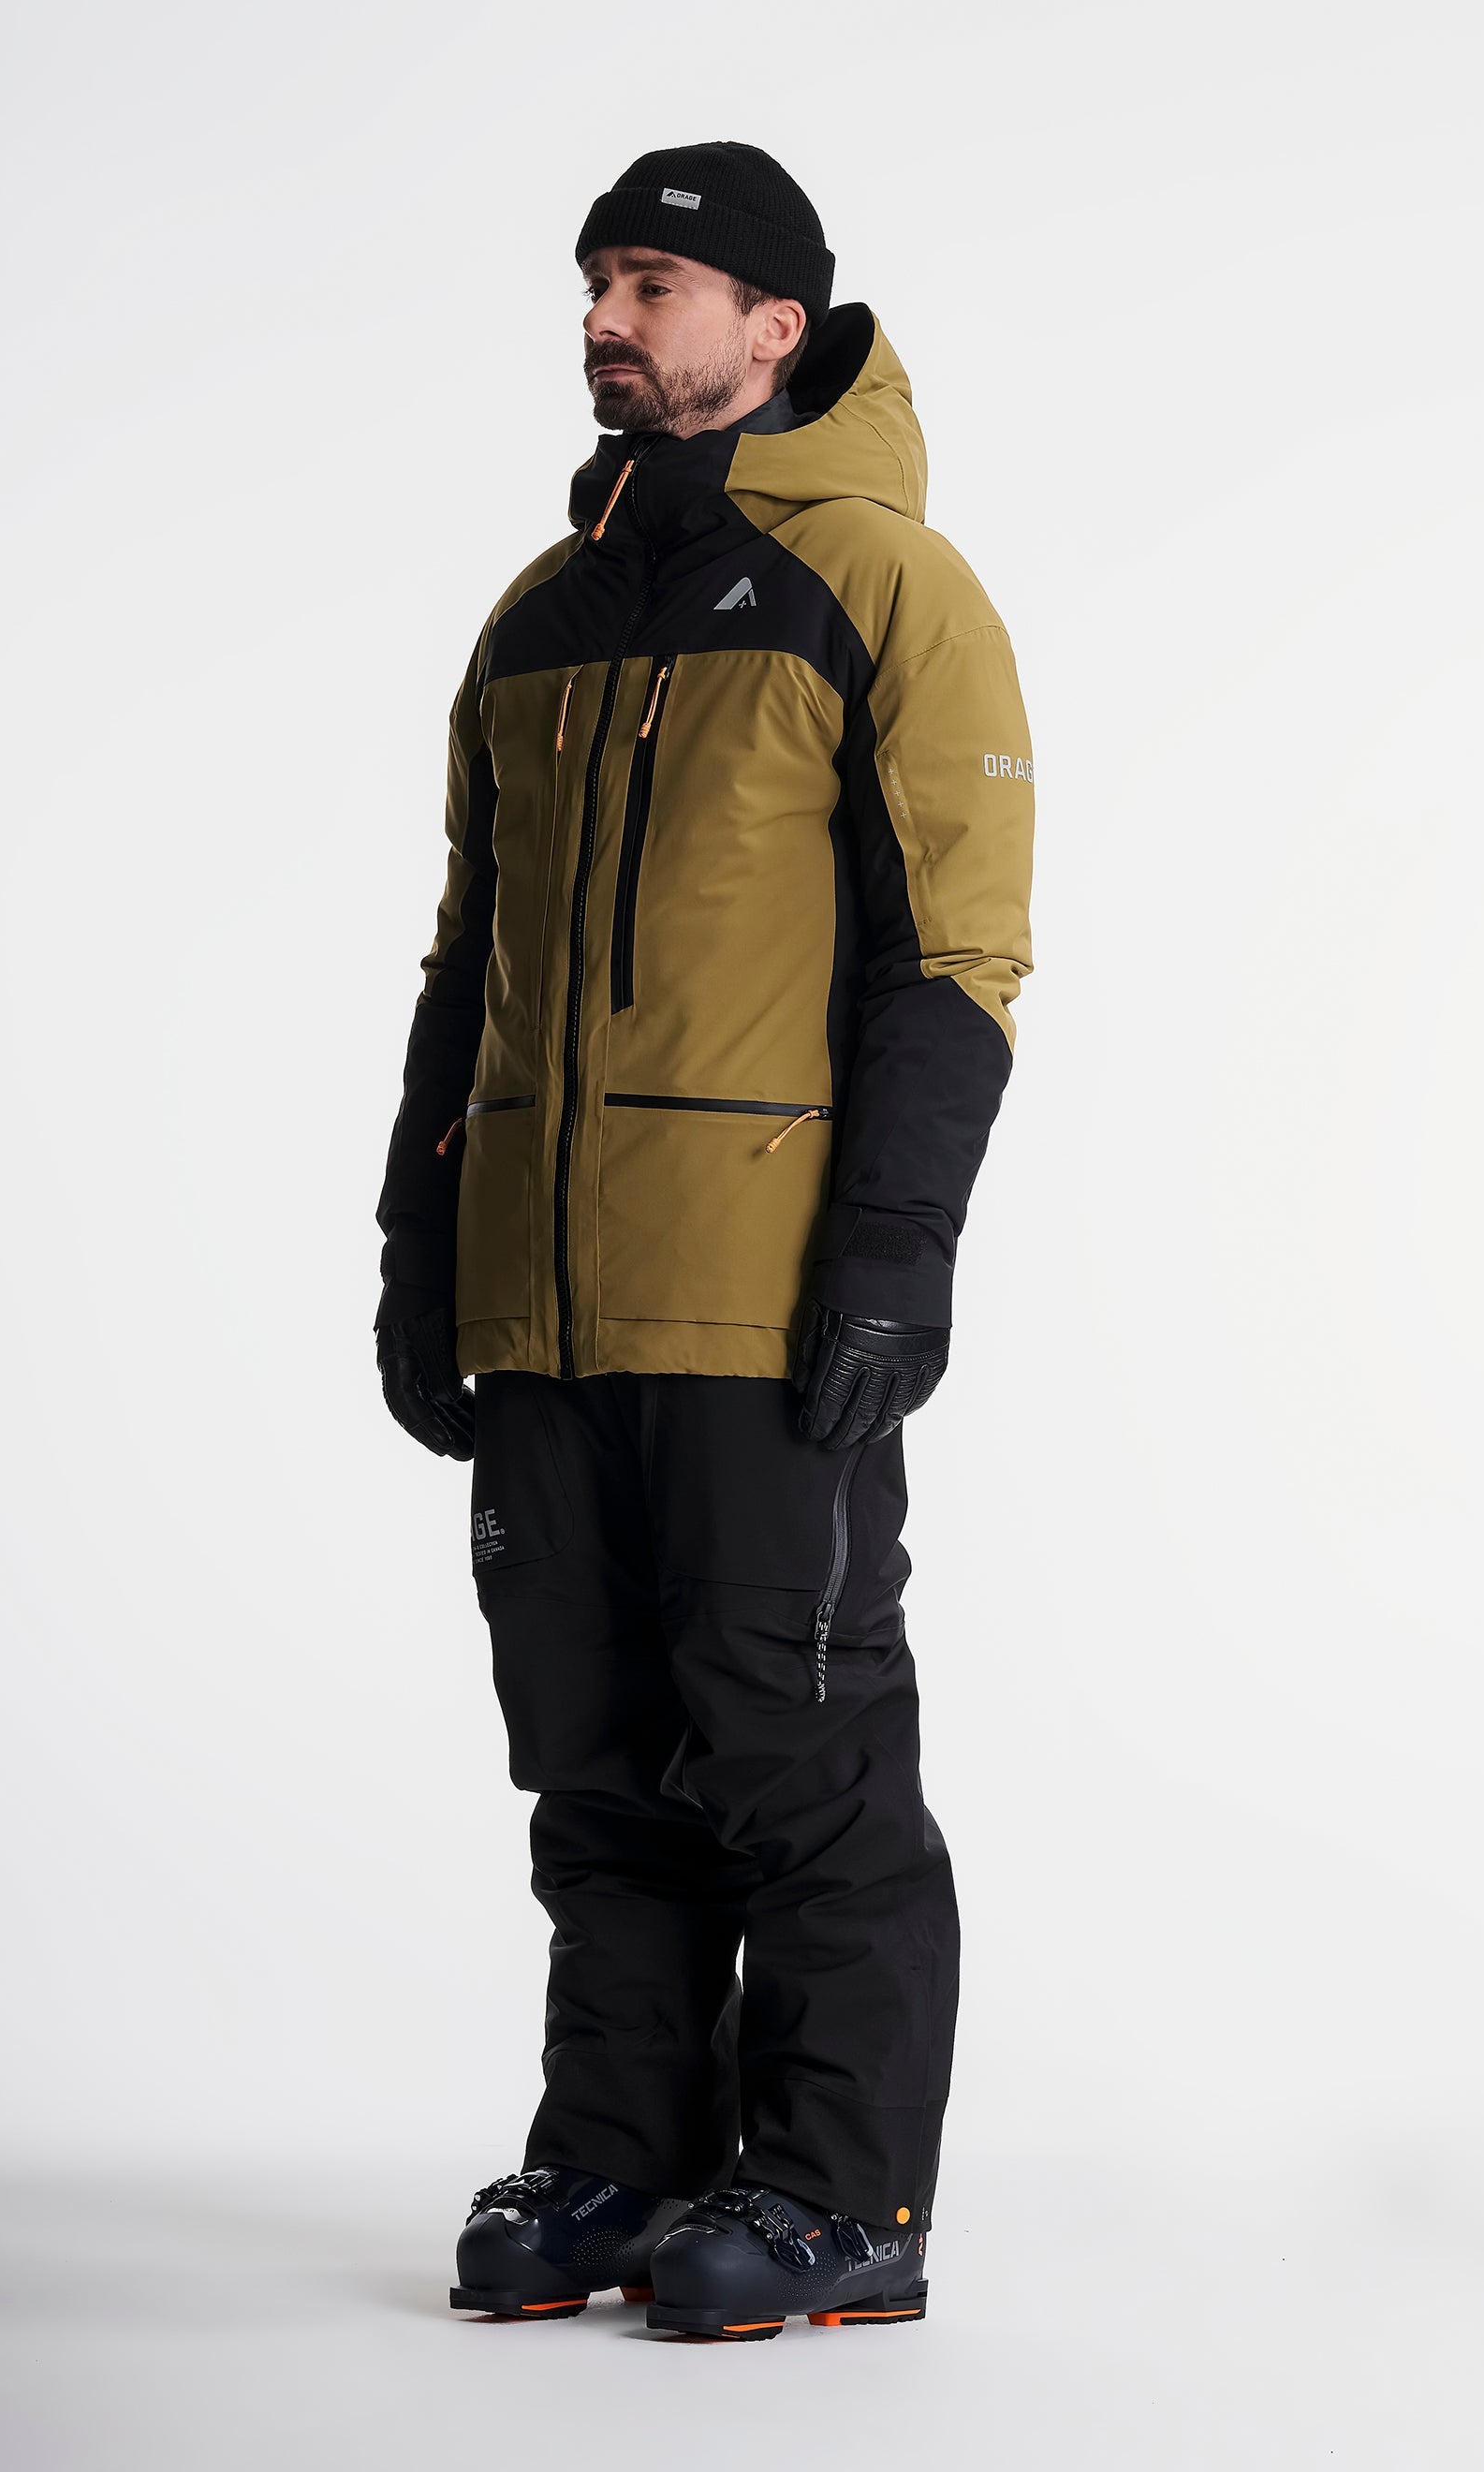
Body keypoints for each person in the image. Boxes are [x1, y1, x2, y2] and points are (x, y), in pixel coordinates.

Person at [374, 140, 1035, 2342]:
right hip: (548, 1300)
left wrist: (894, 1253)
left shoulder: (888, 589)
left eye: (653, 281)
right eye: (597, 279)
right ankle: (620, 2156)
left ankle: (843, 2201)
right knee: (590, 1757)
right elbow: (467, 973)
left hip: (763, 1300)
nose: (607, 317)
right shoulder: (538, 618)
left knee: (799, 1753)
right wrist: (422, 1247)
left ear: (775, 323)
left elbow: (954, 959)